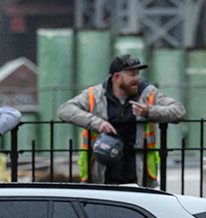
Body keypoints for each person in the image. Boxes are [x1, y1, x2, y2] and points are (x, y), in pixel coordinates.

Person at [58, 54, 185, 187]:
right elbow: (65, 110)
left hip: (139, 179)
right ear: (116, 77)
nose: (137, 79)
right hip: (101, 177)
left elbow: (179, 111)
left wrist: (150, 111)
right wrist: (97, 123)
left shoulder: (148, 93)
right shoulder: (95, 95)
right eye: (132, 74)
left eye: (137, 74)